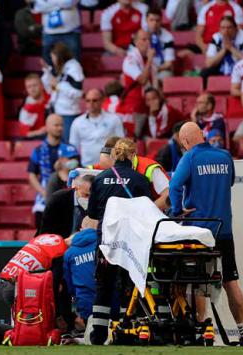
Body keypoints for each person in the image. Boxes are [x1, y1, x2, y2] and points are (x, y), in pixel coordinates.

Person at [169, 122, 243, 346]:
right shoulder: (225, 156)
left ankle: (202, 331)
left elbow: (175, 186)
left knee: (196, 281)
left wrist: (177, 211)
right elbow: (231, 182)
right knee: (231, 281)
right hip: (224, 229)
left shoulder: (190, 158)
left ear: (185, 141)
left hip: (199, 230)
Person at [87, 138, 152, 345]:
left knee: (103, 286)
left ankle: (98, 334)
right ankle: (126, 330)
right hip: (130, 242)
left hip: (106, 241)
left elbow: (92, 212)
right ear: (133, 156)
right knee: (128, 285)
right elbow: (146, 212)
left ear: (114, 155)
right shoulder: (140, 180)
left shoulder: (100, 179)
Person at [0, 233, 67, 306]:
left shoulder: (38, 240)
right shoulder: (59, 253)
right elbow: (55, 288)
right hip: (13, 288)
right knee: (30, 312)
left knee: (19, 312)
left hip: (0, 284)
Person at [27, 114, 66, 227]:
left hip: (64, 197)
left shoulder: (69, 149)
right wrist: (43, 191)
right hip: (42, 200)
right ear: (47, 127)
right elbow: (32, 175)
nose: (60, 128)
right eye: (56, 125)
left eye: (61, 125)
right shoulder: (38, 150)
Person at [70, 89, 124, 167]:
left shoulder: (114, 119)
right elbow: (73, 147)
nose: (91, 103)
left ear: (102, 100)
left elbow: (121, 143)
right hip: (87, 167)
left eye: (94, 100)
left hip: (109, 167)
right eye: (88, 100)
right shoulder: (77, 122)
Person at [42, 42, 85, 141]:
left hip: (69, 114)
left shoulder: (74, 68)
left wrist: (58, 85)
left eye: (53, 57)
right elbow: (50, 90)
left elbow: (78, 92)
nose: (52, 60)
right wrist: (46, 72)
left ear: (59, 56)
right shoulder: (61, 69)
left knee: (67, 144)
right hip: (57, 112)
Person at [122, 29, 157, 139]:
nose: (148, 43)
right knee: (133, 140)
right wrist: (150, 60)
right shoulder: (130, 59)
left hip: (146, 105)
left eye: (149, 40)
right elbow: (142, 79)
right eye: (144, 39)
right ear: (136, 42)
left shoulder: (146, 59)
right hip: (134, 107)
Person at [63, 223, 98, 324]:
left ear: (81, 229)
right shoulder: (104, 245)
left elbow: (69, 284)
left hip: (84, 303)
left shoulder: (69, 253)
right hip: (109, 303)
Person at [145, 8, 175, 80]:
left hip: (161, 69)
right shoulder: (140, 35)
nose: (154, 23)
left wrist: (154, 70)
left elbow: (169, 63)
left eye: (157, 20)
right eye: (151, 20)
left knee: (165, 77)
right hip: (143, 69)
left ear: (161, 21)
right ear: (146, 20)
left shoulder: (168, 37)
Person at [18, 73, 50, 138]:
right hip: (36, 139)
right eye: (29, 87)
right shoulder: (27, 108)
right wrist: (39, 132)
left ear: (42, 86)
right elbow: (24, 133)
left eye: (34, 85)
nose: (32, 89)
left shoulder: (51, 99)